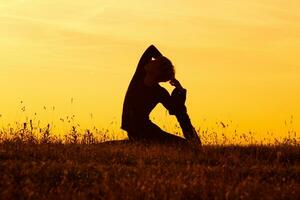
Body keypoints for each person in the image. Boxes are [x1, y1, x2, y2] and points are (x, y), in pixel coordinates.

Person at [121, 44, 201, 146]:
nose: (150, 61)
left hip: (145, 131)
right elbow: (151, 49)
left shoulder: (156, 89)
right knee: (184, 146)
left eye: (154, 62)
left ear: (155, 71)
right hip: (139, 131)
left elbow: (177, 111)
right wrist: (169, 72)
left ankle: (194, 144)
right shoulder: (141, 75)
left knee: (185, 146)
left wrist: (180, 90)